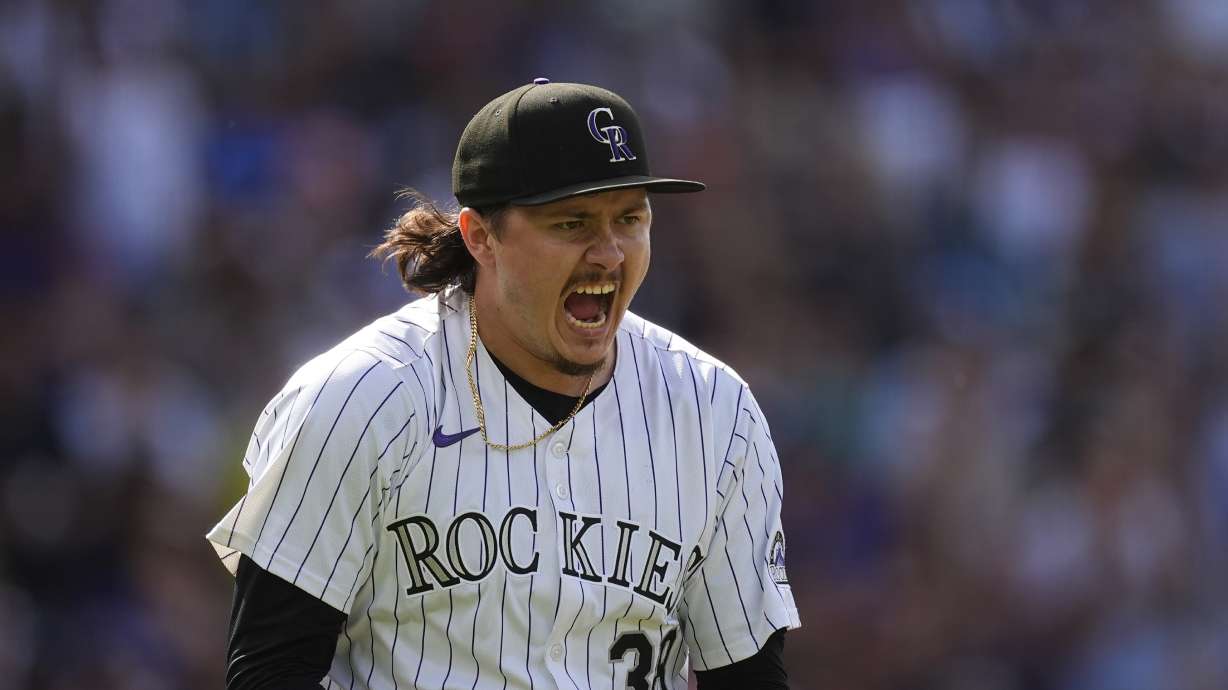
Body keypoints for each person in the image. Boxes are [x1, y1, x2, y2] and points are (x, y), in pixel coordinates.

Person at [208, 78, 799, 690]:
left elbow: (750, 677)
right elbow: (270, 670)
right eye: (572, 223)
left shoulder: (713, 411)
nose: (609, 254)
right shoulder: (364, 397)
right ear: (480, 236)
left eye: (630, 218)